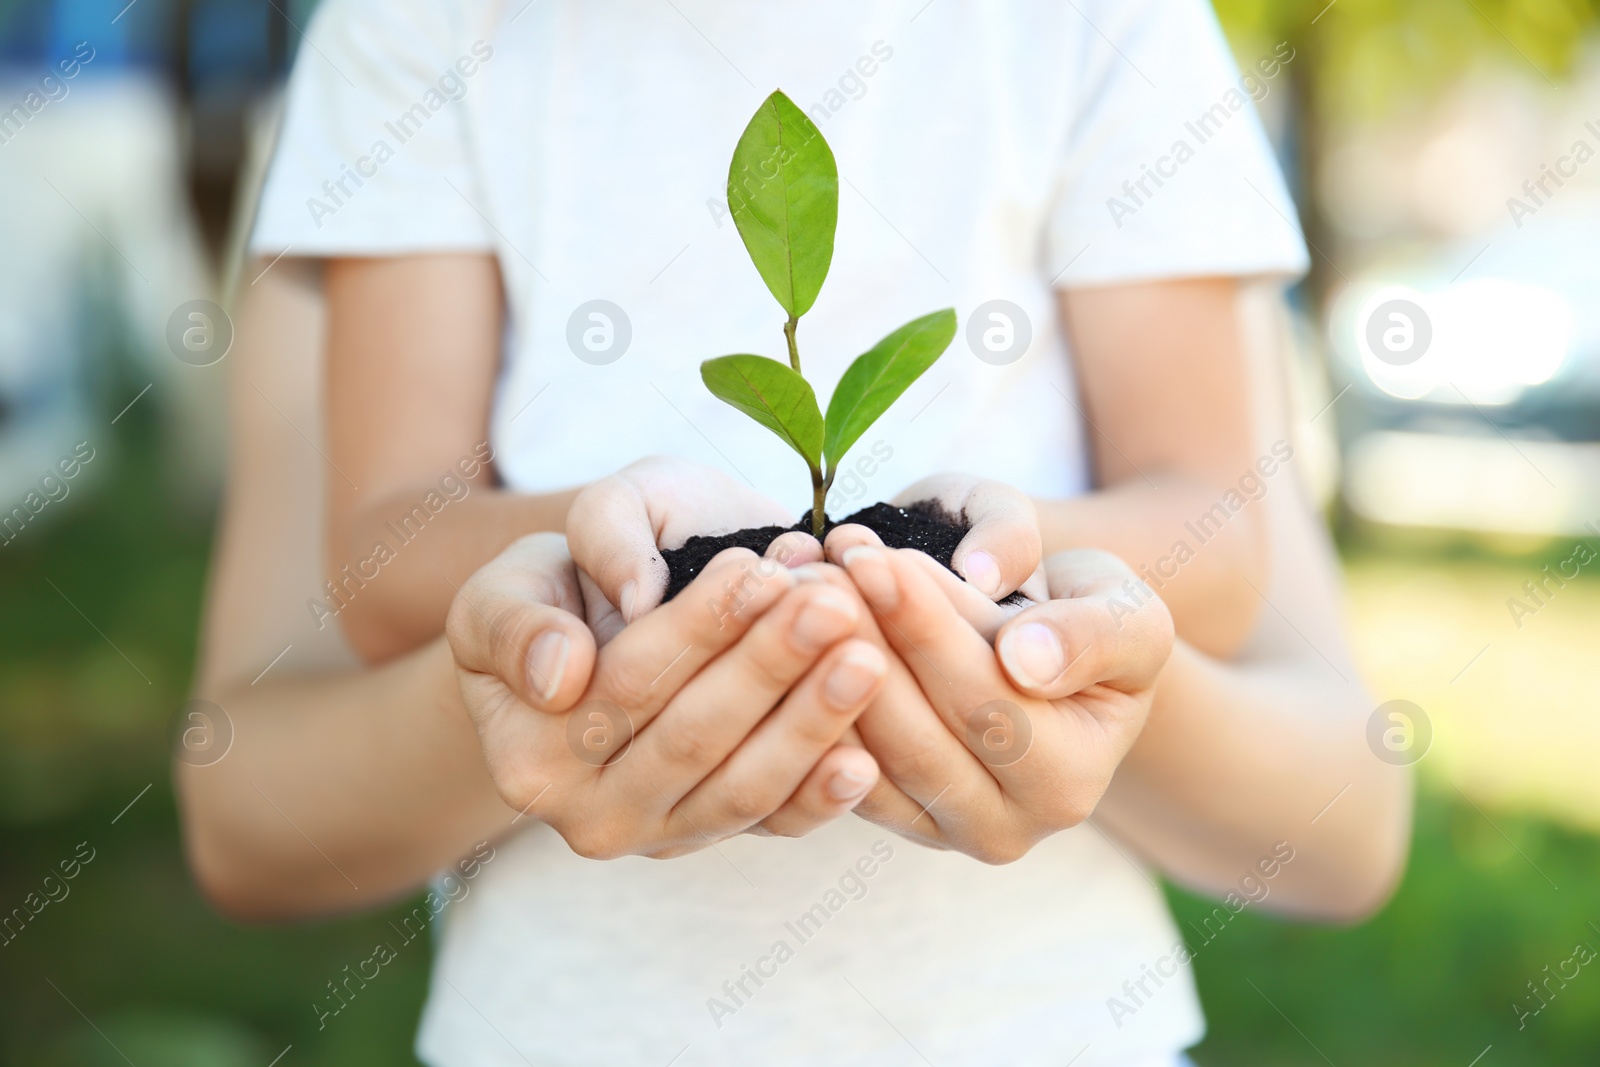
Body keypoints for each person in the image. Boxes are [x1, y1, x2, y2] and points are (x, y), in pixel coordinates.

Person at [177, 2, 1412, 1064]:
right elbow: (388, 561)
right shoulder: (428, 29)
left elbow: (1215, 536)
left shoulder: (1095, 25)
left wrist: (999, 605)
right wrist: (614, 575)